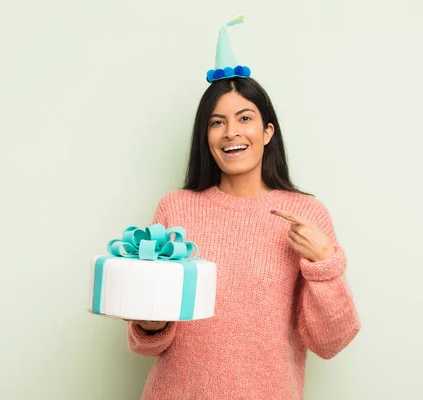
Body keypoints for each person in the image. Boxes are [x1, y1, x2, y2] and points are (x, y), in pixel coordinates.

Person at [124, 16, 360, 400]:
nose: (231, 132)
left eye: (245, 118)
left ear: (267, 132)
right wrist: (150, 323)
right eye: (217, 122)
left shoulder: (306, 215)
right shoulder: (175, 208)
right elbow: (147, 341)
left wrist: (325, 265)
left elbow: (331, 341)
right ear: (206, 137)